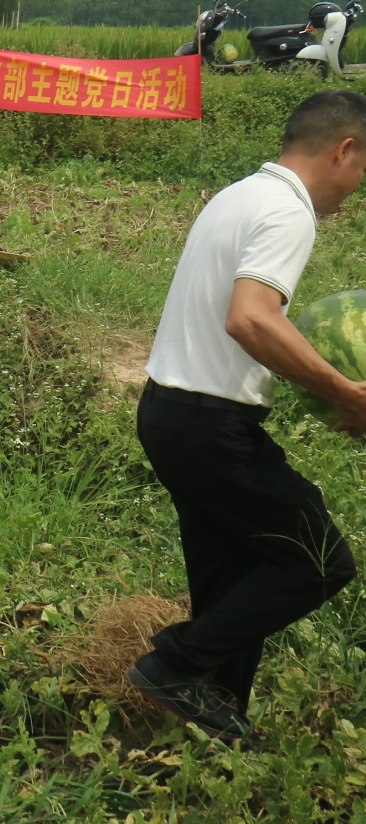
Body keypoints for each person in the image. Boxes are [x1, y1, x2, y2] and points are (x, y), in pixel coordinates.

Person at [131, 89, 366, 741]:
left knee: (231, 576)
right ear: (343, 151)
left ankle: (216, 719)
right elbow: (250, 318)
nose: (357, 188)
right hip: (209, 426)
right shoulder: (288, 213)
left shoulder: (240, 195)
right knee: (318, 562)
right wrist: (345, 392)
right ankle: (173, 666)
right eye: (363, 169)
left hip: (169, 413)